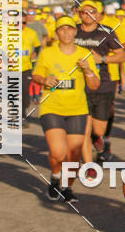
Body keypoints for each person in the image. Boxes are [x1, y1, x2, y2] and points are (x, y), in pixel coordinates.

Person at [32, 15, 100, 202]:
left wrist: (87, 70)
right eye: (62, 29)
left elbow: (94, 85)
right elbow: (36, 75)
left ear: (75, 31)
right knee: (58, 152)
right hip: (51, 107)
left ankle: (68, 188)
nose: (67, 32)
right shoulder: (47, 53)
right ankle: (55, 177)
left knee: (73, 155)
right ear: (57, 33)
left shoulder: (85, 54)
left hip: (77, 109)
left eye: (70, 29)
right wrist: (44, 80)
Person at [74, 0, 125, 163]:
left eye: (92, 12)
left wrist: (101, 58)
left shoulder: (106, 32)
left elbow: (121, 55)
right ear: (79, 14)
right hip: (80, 85)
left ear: (97, 14)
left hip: (103, 83)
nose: (88, 15)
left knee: (98, 128)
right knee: (85, 126)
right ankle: (88, 160)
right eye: (84, 12)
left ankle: (100, 141)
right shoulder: (73, 32)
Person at [19, 13, 41, 126]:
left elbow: (37, 46)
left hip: (26, 67)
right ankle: (20, 116)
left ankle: (23, 112)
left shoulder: (31, 33)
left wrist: (34, 53)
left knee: (25, 94)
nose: (21, 25)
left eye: (23, 22)